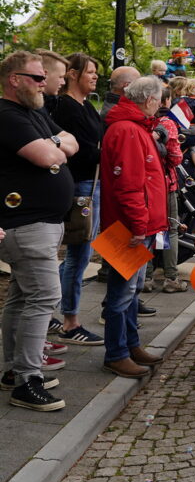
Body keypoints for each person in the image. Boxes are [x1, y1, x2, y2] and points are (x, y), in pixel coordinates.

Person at [0, 51, 78, 410]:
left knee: (20, 298)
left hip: (40, 224)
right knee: (44, 298)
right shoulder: (8, 115)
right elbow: (49, 157)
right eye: (36, 78)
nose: (43, 83)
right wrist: (55, 147)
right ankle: (27, 380)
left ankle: (15, 371)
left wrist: (55, 144)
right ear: (14, 79)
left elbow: (70, 143)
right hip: (27, 225)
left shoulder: (32, 112)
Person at [99, 75, 168, 378]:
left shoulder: (133, 127)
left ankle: (130, 344)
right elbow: (129, 186)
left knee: (131, 290)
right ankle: (117, 353)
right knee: (122, 292)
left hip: (136, 224)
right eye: (160, 100)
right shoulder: (128, 130)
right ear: (150, 100)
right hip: (129, 228)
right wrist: (140, 226)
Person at [50, 53, 106, 343]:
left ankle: (54, 312)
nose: (95, 76)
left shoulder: (87, 105)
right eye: (90, 72)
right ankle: (70, 321)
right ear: (72, 74)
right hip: (81, 185)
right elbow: (83, 150)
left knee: (78, 255)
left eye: (96, 72)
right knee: (78, 254)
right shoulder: (67, 107)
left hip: (92, 183)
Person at [146, 86, 186, 294]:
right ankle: (171, 278)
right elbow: (176, 157)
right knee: (170, 228)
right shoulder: (167, 123)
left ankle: (145, 277)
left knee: (146, 229)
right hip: (164, 183)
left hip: (143, 184)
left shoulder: (142, 121)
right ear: (166, 101)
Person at [36, 49, 68, 113]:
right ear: (44, 74)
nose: (63, 82)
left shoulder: (49, 105)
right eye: (61, 77)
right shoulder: (34, 107)